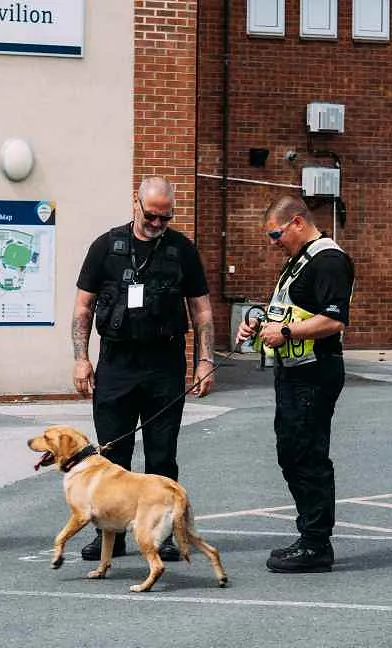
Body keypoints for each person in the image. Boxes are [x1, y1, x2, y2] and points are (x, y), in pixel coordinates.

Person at [71, 175, 216, 562]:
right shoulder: (105, 247)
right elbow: (83, 308)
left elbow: (201, 310)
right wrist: (81, 358)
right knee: (113, 456)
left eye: (165, 218)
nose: (157, 224)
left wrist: (204, 360)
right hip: (117, 363)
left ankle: (163, 533)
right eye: (151, 216)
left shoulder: (182, 250)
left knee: (162, 455)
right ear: (135, 205)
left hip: (164, 364)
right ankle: (111, 536)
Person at [236, 195, 354, 573]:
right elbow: (287, 310)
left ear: (297, 222)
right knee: (291, 452)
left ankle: (316, 544)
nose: (273, 242)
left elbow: (334, 320)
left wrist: (285, 332)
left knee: (307, 455)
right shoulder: (299, 262)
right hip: (293, 372)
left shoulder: (329, 260)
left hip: (314, 373)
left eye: (275, 233)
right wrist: (257, 322)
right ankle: (309, 537)